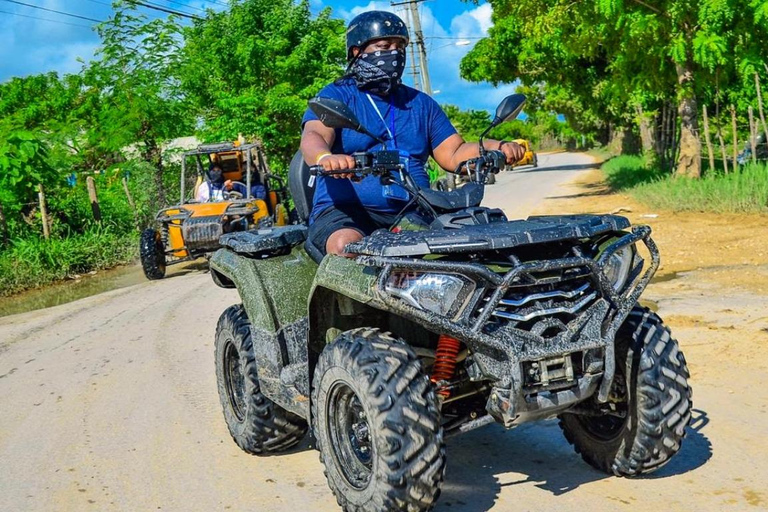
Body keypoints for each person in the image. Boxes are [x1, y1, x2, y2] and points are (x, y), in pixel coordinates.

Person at [300, 10, 525, 257]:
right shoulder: (338, 95)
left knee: (473, 244)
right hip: (346, 212)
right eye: (384, 46)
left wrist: (498, 146)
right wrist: (325, 158)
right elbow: (314, 135)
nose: (394, 54)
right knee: (347, 245)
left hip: (414, 210)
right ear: (357, 51)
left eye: (400, 47)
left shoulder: (420, 104)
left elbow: (454, 152)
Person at [196, 163, 266, 202]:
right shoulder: (238, 184)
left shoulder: (259, 186)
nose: (246, 172)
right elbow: (230, 190)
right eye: (244, 169)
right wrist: (229, 187)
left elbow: (260, 201)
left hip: (252, 209)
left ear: (254, 170)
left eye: (248, 169)